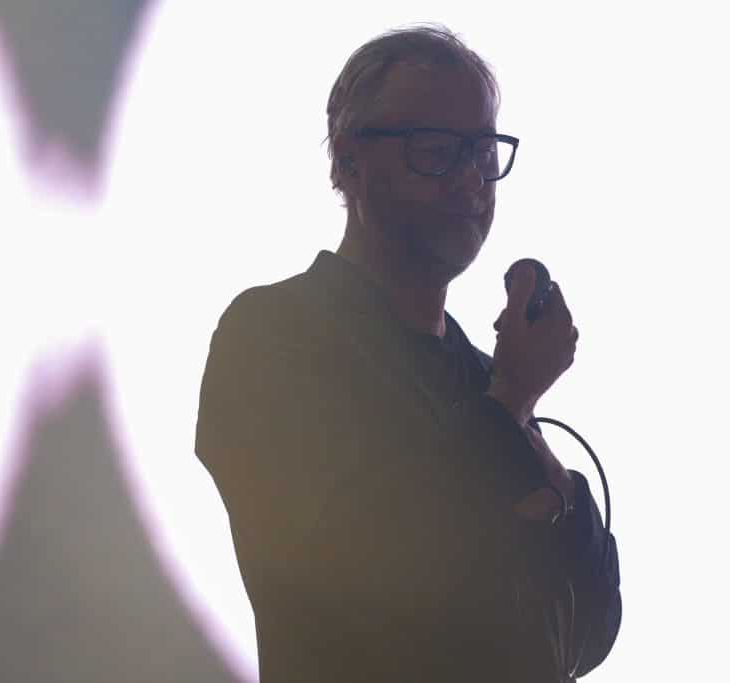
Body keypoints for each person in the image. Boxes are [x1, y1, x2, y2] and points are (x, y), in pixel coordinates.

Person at [194, 23, 621, 682]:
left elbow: (590, 630)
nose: (470, 178)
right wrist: (509, 407)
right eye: (435, 148)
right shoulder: (272, 335)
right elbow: (361, 567)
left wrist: (544, 469)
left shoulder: (486, 376)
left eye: (483, 150)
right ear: (349, 159)